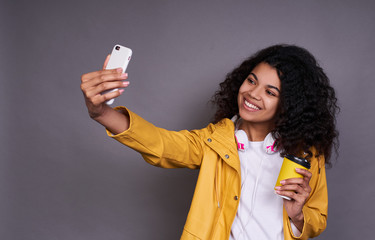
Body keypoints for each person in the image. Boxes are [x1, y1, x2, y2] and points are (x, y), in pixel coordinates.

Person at [81, 44, 339, 240]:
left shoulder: (306, 155)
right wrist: (102, 112)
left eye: (270, 92)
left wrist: (297, 215)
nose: (252, 93)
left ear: (289, 105)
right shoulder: (215, 141)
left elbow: (318, 219)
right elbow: (162, 145)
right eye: (251, 80)